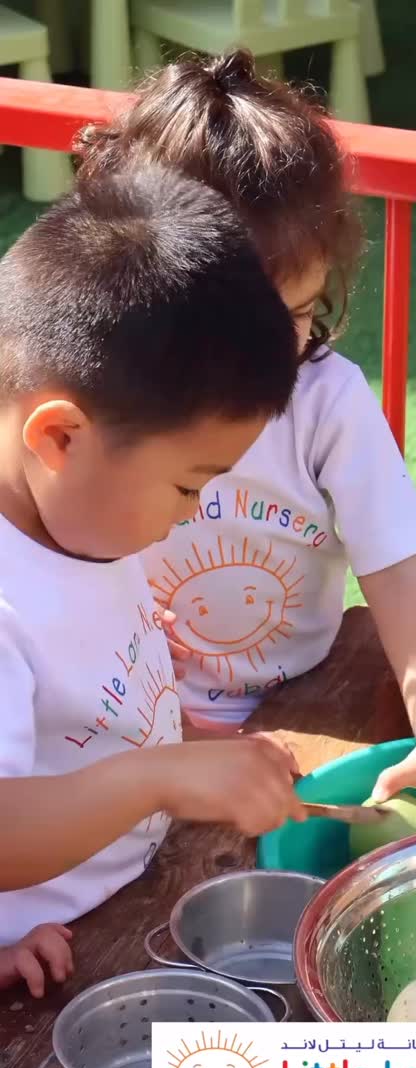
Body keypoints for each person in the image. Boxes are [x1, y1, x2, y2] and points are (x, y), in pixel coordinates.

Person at [77, 50, 416, 827]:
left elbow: (398, 569)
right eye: (234, 328)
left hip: (301, 703)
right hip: (133, 730)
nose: (262, 360)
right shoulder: (106, 398)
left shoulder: (328, 402)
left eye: (292, 316)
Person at [0, 162, 305, 992]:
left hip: (123, 891)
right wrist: (161, 775)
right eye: (186, 486)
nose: (193, 514)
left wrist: (185, 742)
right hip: (58, 953)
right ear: (58, 437)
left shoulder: (70, 506)